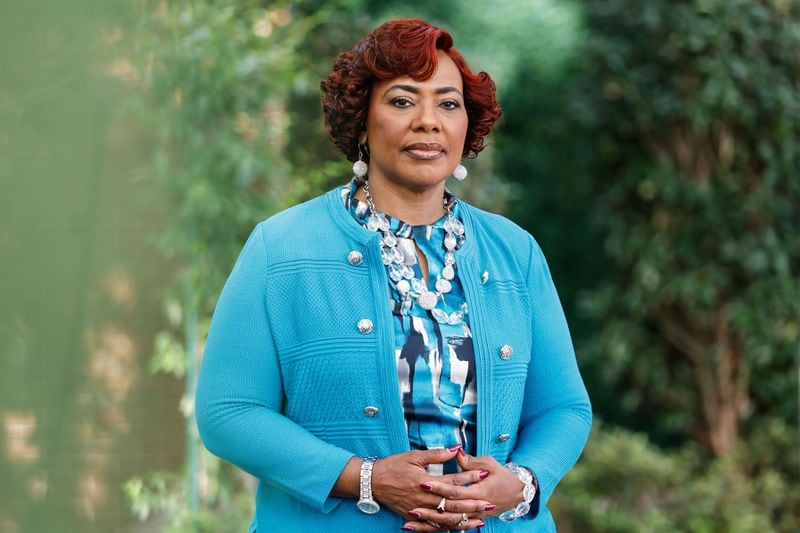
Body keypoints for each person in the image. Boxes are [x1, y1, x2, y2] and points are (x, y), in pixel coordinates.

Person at [195, 17, 591, 532]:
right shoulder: (282, 248)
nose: (429, 121)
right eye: (403, 101)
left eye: (448, 104)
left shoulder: (516, 252)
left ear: (467, 124)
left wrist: (523, 482)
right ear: (361, 121)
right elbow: (229, 411)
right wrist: (365, 478)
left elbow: (563, 408)